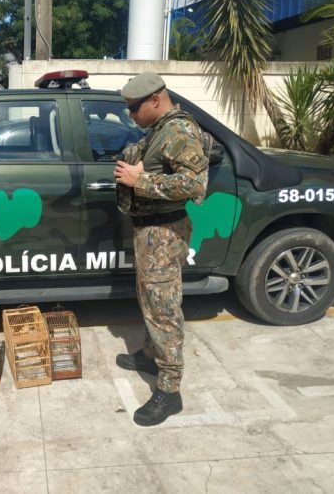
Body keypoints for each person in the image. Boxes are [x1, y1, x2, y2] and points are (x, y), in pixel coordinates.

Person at [113, 72, 208, 426]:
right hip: (152, 231)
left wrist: (140, 180)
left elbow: (195, 184)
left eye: (134, 108)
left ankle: (169, 391)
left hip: (164, 233)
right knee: (150, 300)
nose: (130, 115)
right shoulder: (160, 129)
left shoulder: (179, 131)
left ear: (155, 99)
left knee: (164, 310)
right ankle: (151, 356)